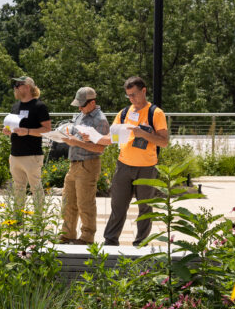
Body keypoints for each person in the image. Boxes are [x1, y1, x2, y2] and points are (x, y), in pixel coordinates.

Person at [102, 76, 169, 246]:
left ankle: (141, 243)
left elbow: (164, 142)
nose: (131, 99)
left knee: (145, 208)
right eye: (128, 96)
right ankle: (110, 242)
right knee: (118, 206)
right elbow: (112, 137)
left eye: (134, 94)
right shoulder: (124, 113)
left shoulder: (156, 113)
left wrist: (144, 134)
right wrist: (93, 138)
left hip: (147, 168)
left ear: (144, 91)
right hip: (123, 166)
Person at [59, 87, 109, 244]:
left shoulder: (100, 120)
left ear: (92, 102)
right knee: (68, 201)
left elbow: (100, 148)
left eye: (82, 105)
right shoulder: (81, 115)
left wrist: (76, 142)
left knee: (85, 203)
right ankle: (67, 235)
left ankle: (87, 238)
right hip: (73, 164)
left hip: (88, 164)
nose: (79, 108)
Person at [2, 75, 51, 210]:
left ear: (27, 87)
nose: (15, 88)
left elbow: (47, 130)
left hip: (32, 154)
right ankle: (17, 219)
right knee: (18, 188)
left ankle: (38, 220)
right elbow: (15, 126)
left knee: (36, 188)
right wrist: (8, 131)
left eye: (17, 85)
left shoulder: (39, 106)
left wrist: (28, 131)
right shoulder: (15, 106)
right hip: (15, 153)